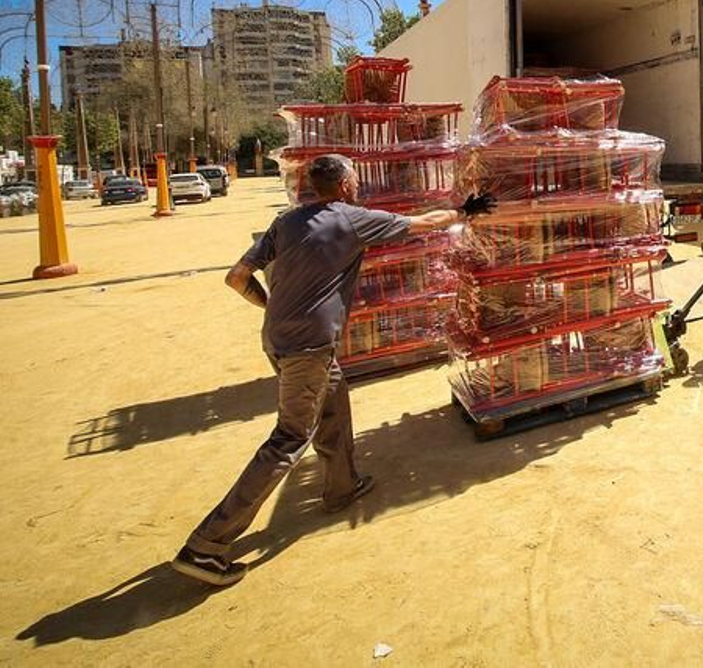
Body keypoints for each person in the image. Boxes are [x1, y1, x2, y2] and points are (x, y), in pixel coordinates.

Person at [171, 154, 495, 587]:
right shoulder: (351, 219)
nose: (358, 186)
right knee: (290, 438)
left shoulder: (285, 223)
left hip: (278, 338)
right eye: (355, 180)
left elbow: (236, 277)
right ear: (343, 186)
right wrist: (465, 210)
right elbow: (423, 223)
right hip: (309, 346)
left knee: (335, 399)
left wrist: (272, 306)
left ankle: (342, 486)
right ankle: (207, 546)